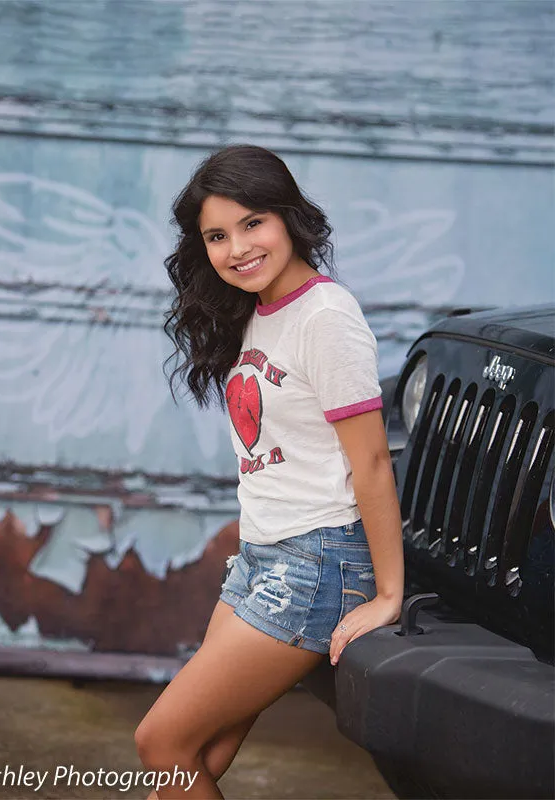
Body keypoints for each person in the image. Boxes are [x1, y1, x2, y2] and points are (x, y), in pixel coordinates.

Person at [134, 144, 404, 799]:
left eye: (253, 223)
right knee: (200, 750)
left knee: (160, 742)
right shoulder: (256, 312)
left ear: (287, 217)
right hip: (260, 555)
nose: (238, 248)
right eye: (217, 236)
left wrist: (388, 594)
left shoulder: (326, 316)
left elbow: (369, 460)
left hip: (318, 562)